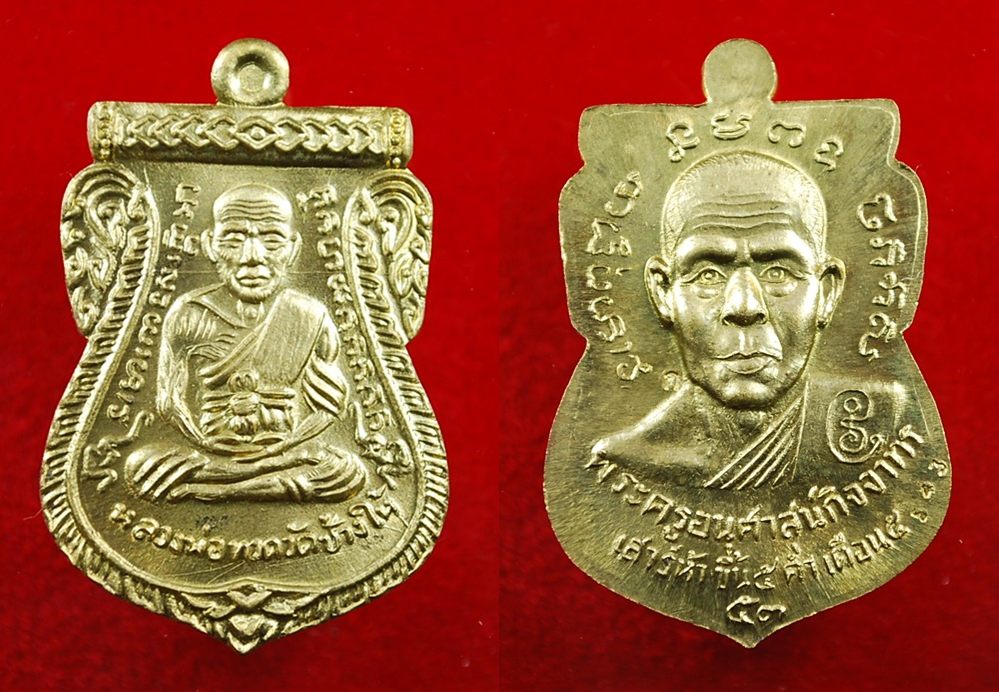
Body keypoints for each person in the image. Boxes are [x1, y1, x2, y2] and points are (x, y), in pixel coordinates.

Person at [592, 151, 850, 491]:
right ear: (662, 293)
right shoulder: (627, 460)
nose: (744, 307)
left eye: (778, 272)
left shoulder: (876, 425)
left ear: (827, 292)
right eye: (708, 275)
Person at [125, 183, 366, 502]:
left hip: (284, 453)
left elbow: (327, 407)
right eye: (234, 239)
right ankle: (245, 481)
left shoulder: (309, 314)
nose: (253, 256)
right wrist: (203, 444)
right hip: (213, 452)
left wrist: (283, 449)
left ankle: (222, 488)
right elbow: (169, 401)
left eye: (272, 239)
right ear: (210, 245)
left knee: (346, 470)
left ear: (293, 248)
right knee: (140, 465)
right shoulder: (189, 313)